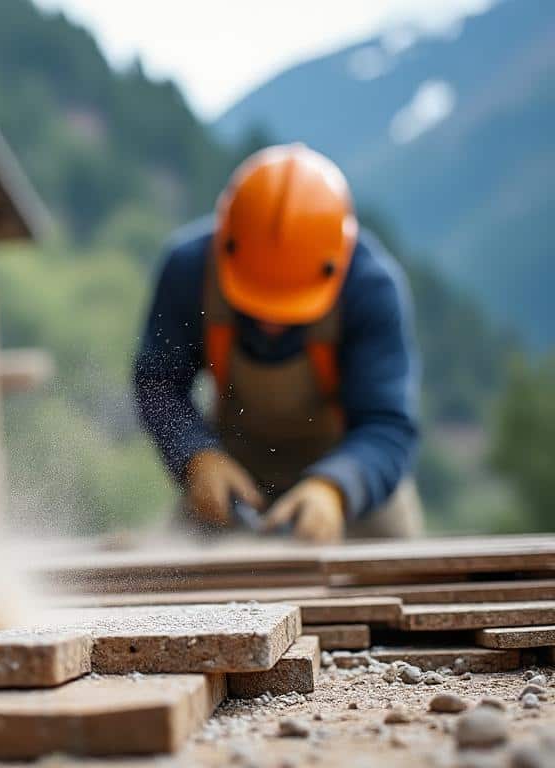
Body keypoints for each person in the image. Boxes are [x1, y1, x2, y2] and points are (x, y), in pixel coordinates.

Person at [133, 143, 423, 545]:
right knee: (170, 576)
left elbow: (388, 426)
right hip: (232, 477)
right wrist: (195, 456)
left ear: (335, 263)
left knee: (401, 576)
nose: (271, 322)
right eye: (255, 300)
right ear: (225, 244)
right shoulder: (188, 271)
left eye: (289, 307)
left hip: (355, 485)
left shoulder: (371, 288)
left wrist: (336, 487)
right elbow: (158, 383)